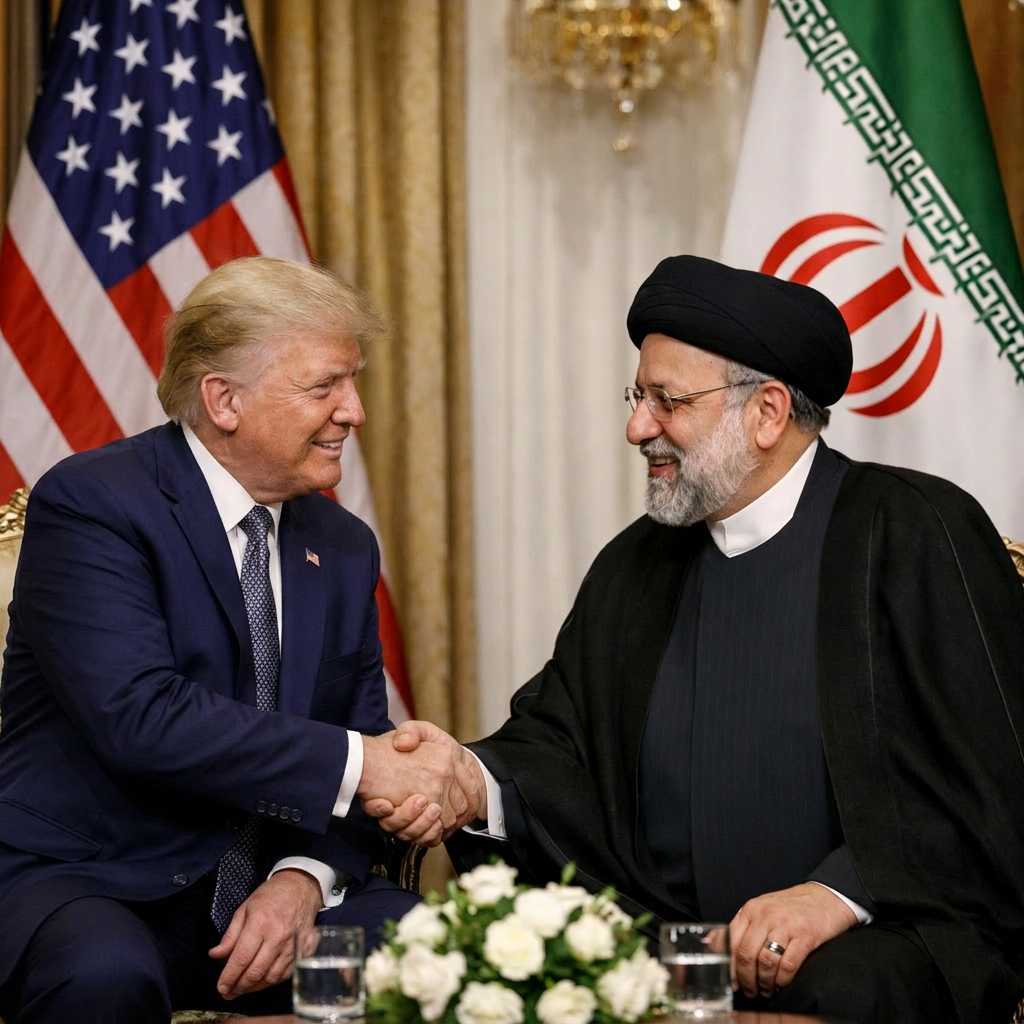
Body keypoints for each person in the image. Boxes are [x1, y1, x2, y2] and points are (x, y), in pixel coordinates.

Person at [367, 256, 1024, 1024]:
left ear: (769, 412)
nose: (637, 427)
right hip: (666, 938)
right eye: (637, 396)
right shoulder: (638, 561)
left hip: (884, 929)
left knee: (842, 990)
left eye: (666, 401)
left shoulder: (913, 530)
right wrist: (476, 781)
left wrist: (840, 895)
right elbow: (561, 742)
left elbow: (992, 774)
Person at [0, 256, 471, 1023]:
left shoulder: (342, 544)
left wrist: (301, 880)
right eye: (325, 386)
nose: (355, 411)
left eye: (353, 382)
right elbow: (140, 718)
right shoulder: (95, 505)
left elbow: (361, 736)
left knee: (431, 952)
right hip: (100, 878)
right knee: (103, 974)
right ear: (224, 400)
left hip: (269, 887)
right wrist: (365, 765)